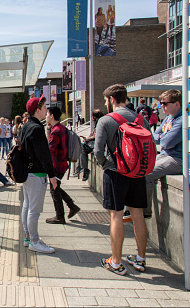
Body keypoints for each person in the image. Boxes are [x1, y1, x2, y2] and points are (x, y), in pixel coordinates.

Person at [94, 84, 150, 275]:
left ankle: (116, 262)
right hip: (138, 173)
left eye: (105, 100)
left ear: (111, 100)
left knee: (116, 215)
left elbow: (98, 151)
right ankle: (141, 259)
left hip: (116, 173)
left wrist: (106, 165)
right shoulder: (141, 119)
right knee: (138, 214)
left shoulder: (106, 120)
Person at [127, 89, 182, 221]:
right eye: (161, 103)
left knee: (147, 173)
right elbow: (153, 136)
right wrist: (162, 137)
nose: (161, 106)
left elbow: (167, 142)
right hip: (164, 155)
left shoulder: (182, 120)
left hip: (178, 159)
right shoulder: (169, 118)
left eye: (165, 103)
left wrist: (162, 137)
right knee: (137, 167)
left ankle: (144, 211)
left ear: (177, 104)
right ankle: (131, 207)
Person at [19, 95, 58, 254]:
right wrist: (52, 175)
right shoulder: (36, 128)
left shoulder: (26, 126)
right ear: (38, 110)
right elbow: (44, 155)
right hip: (36, 173)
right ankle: (34, 241)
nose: (46, 110)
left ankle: (28, 237)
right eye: (44, 107)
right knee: (34, 210)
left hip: (27, 174)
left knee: (27, 206)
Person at [45, 106, 81, 224]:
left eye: (47, 114)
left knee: (54, 189)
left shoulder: (56, 131)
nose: (46, 116)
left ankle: (60, 216)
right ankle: (71, 206)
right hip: (62, 163)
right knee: (57, 187)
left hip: (57, 165)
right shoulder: (61, 128)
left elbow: (50, 150)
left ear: (52, 116)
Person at [73, 109, 104, 181]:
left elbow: (97, 135)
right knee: (81, 146)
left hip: (97, 144)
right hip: (95, 142)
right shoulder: (99, 122)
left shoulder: (100, 122)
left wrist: (88, 138)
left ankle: (83, 168)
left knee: (82, 148)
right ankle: (80, 167)